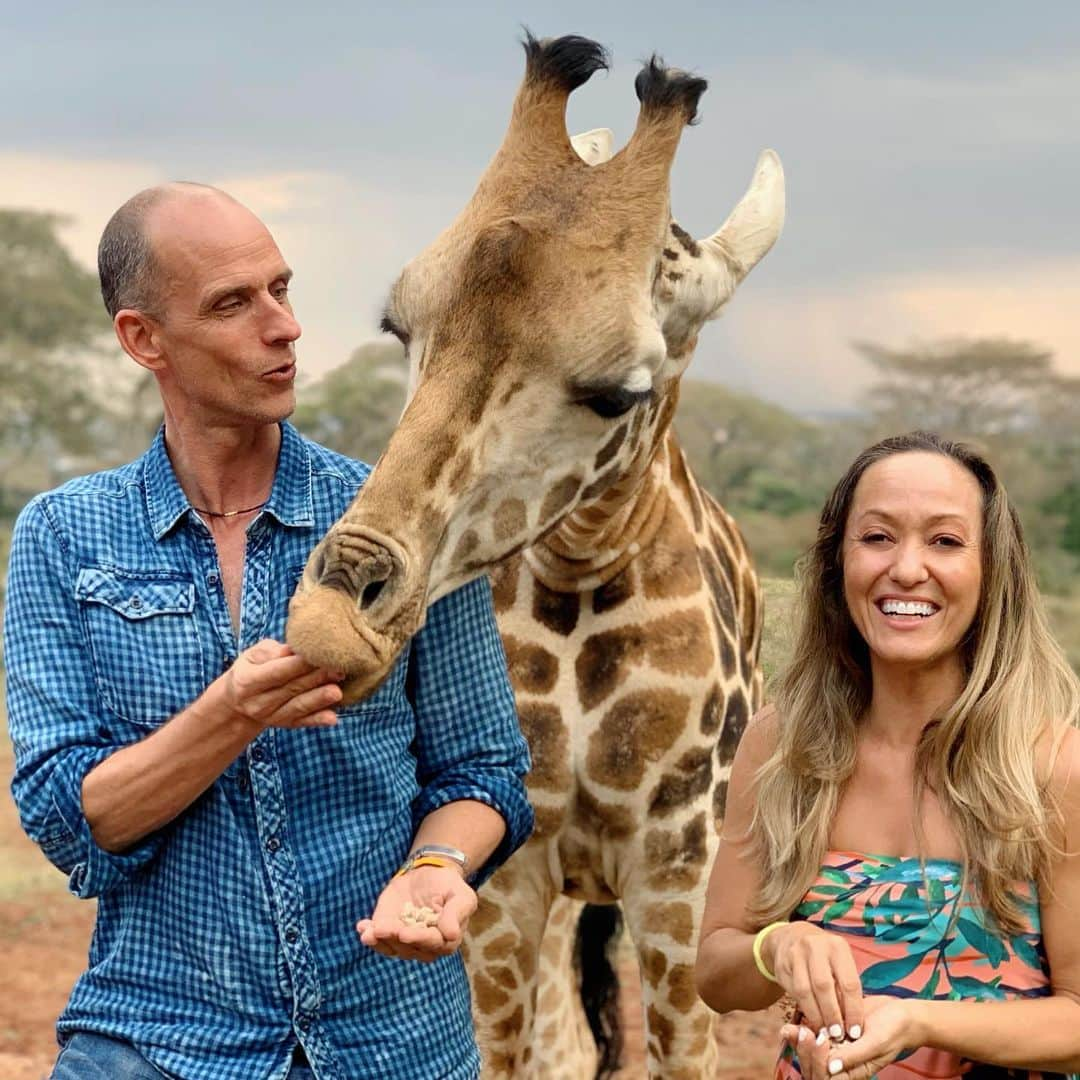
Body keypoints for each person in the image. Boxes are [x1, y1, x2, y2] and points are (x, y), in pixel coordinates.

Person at [4, 182, 533, 1080]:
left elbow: (483, 769)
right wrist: (232, 712)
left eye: (280, 290)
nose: (283, 326)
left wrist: (438, 865)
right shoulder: (63, 534)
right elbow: (71, 819)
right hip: (157, 1040)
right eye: (232, 304)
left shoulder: (396, 521)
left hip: (394, 1041)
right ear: (144, 340)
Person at [695, 431, 1080, 1079]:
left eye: (945, 541)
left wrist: (919, 1019)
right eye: (876, 537)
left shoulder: (1054, 766)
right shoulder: (781, 745)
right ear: (836, 562)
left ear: (993, 572)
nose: (905, 569)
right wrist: (776, 944)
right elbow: (716, 974)